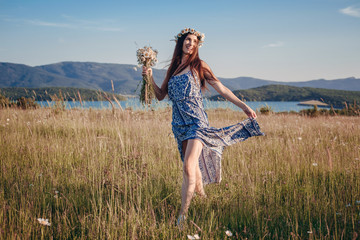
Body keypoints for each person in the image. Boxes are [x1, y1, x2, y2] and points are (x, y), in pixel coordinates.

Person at [142, 28, 264, 228]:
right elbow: (160, 95)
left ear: (197, 45)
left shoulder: (199, 65)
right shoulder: (173, 68)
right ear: (181, 42)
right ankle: (203, 199)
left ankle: (182, 217)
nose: (191, 44)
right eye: (188, 40)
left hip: (197, 122)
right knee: (193, 169)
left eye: (194, 41)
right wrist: (149, 77)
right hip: (179, 125)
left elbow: (221, 88)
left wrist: (244, 106)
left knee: (189, 165)